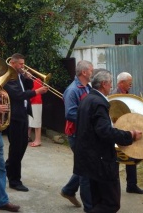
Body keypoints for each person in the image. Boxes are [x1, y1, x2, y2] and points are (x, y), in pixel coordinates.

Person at [74, 69, 143, 212]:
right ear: (104, 84)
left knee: (97, 200)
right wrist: (130, 135)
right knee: (111, 203)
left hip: (88, 159)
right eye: (110, 83)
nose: (111, 86)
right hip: (100, 161)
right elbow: (104, 131)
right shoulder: (99, 102)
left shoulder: (87, 99)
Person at [4, 53, 48, 192]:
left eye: (23, 64)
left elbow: (26, 88)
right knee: (16, 148)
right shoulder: (8, 77)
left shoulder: (18, 76)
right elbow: (17, 95)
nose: (23, 66)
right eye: (21, 64)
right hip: (14, 117)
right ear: (13, 63)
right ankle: (14, 180)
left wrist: (27, 78)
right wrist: (37, 92)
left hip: (23, 115)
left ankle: (9, 166)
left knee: (22, 145)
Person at [61, 60, 94, 211]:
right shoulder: (73, 90)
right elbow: (70, 113)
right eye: (91, 70)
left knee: (84, 166)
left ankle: (68, 190)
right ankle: (90, 207)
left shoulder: (86, 87)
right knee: (86, 170)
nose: (92, 73)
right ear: (84, 72)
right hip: (76, 135)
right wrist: (90, 119)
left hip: (84, 134)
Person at [112, 72, 143, 195]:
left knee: (132, 156)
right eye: (129, 82)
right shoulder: (113, 95)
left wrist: (142, 105)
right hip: (117, 130)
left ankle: (131, 185)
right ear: (121, 83)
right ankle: (114, 187)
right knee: (116, 159)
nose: (131, 85)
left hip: (128, 129)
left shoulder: (129, 95)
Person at [28, 78, 43, 147]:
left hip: (36, 102)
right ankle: (29, 136)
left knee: (37, 122)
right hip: (34, 102)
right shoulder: (31, 81)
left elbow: (34, 93)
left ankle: (38, 140)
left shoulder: (37, 80)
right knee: (31, 121)